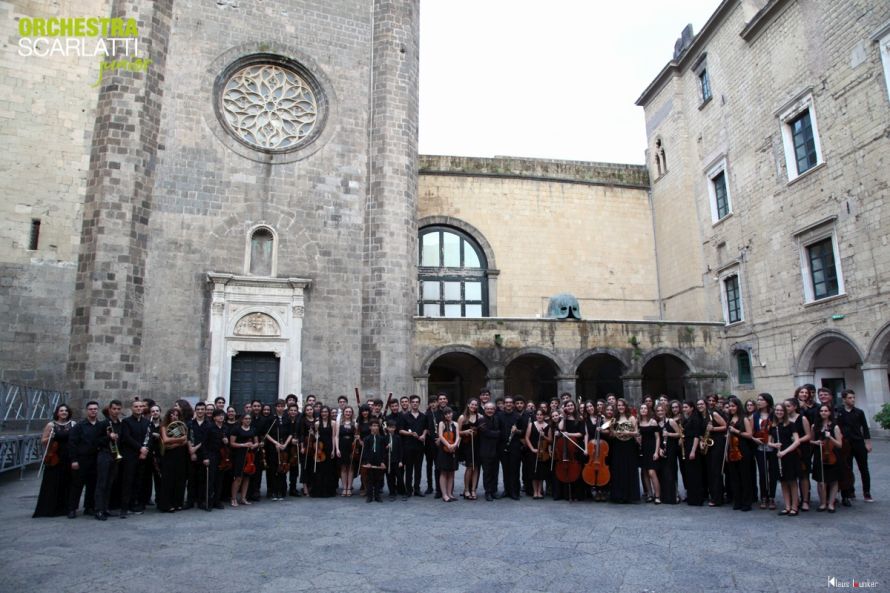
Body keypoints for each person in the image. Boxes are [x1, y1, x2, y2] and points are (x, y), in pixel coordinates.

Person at [33, 404, 76, 518]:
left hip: (68, 456)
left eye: (66, 410)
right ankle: (50, 508)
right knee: (52, 482)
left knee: (67, 482)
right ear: (57, 412)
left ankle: (65, 508)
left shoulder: (73, 424)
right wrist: (51, 437)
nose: (64, 412)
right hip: (55, 456)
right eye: (61, 410)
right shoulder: (51, 425)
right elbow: (43, 440)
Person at [836, 389, 873, 505]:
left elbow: (865, 428)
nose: (852, 400)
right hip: (846, 444)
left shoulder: (859, 412)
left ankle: (867, 492)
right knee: (847, 468)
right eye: (850, 398)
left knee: (864, 468)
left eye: (853, 398)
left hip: (858, 442)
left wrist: (867, 443)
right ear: (844, 399)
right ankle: (849, 491)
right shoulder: (839, 412)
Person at [770, 401, 802, 516]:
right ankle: (787, 506)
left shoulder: (791, 424)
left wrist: (784, 451)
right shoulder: (773, 426)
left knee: (792, 481)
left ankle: (794, 507)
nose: (779, 412)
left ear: (785, 412)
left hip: (789, 456)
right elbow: (768, 441)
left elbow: (797, 441)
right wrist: (774, 445)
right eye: (777, 410)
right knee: (783, 482)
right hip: (778, 456)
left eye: (781, 410)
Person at [119, 398, 149, 517]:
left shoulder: (147, 422)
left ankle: (134, 504)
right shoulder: (126, 422)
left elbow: (148, 437)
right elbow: (127, 437)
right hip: (130, 456)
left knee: (138, 481)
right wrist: (140, 448)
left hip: (142, 456)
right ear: (132, 408)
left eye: (141, 406)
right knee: (127, 481)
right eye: (136, 407)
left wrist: (145, 449)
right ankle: (124, 507)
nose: (138, 408)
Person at [94, 400, 123, 520]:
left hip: (115, 456)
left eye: (118, 409)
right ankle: (98, 510)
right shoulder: (103, 424)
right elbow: (95, 441)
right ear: (110, 409)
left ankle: (105, 508)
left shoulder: (120, 424)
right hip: (104, 454)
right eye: (114, 409)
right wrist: (108, 437)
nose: (116, 411)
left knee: (110, 483)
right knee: (102, 483)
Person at [812, 403, 843, 513]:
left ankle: (831, 503)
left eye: (826, 411)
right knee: (821, 481)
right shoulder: (815, 426)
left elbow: (840, 444)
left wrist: (830, 437)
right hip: (819, 455)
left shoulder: (835, 426)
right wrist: (815, 442)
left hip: (832, 455)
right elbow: (810, 441)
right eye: (821, 411)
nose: (823, 413)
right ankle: (822, 503)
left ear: (830, 412)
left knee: (833, 481)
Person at [724, 396, 754, 512]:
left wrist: (736, 431)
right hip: (731, 450)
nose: (731, 408)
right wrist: (726, 453)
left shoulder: (744, 419)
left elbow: (750, 435)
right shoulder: (729, 419)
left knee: (744, 477)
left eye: (733, 406)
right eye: (730, 406)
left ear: (738, 406)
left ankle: (747, 502)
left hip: (743, 449)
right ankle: (738, 501)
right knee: (734, 477)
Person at [157, 408, 189, 513]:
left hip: (180, 456)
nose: (174, 417)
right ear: (168, 416)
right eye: (172, 415)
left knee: (179, 480)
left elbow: (185, 441)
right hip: (168, 457)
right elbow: (166, 441)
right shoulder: (163, 426)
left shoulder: (181, 426)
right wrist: (179, 441)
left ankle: (177, 503)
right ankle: (166, 504)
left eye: (176, 415)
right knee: (168, 480)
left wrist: (173, 444)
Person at [609, 398, 640, 504]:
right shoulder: (614, 418)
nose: (620, 407)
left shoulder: (631, 417)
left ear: (625, 406)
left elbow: (636, 433)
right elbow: (612, 432)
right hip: (617, 446)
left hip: (629, 446)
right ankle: (619, 495)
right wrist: (614, 433)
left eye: (622, 405)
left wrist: (626, 433)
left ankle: (630, 496)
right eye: (618, 405)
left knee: (629, 469)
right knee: (618, 470)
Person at [785, 397, 812, 511]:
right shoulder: (784, 420)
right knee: (791, 476)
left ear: (795, 407)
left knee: (804, 475)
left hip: (802, 450)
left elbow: (808, 435)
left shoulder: (802, 418)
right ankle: (793, 500)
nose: (786, 408)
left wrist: (797, 441)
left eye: (788, 406)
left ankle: (805, 500)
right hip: (789, 450)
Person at [398, 395, 427, 497]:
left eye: (416, 402)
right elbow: (400, 430)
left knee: (418, 469)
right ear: (410, 403)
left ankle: (417, 489)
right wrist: (410, 434)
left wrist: (423, 435)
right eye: (413, 402)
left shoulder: (423, 416)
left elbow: (426, 428)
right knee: (409, 469)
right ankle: (408, 490)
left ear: (419, 403)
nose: (415, 403)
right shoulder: (404, 416)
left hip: (419, 446)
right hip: (408, 446)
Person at [229, 412, 258, 506]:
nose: (248, 420)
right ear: (242, 420)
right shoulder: (236, 429)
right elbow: (232, 443)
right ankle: (233, 498)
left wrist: (254, 445)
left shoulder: (253, 429)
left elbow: (256, 442)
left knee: (247, 477)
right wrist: (243, 445)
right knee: (238, 477)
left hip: (250, 455)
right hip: (239, 455)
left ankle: (243, 498)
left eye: (249, 419)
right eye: (246, 419)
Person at [265, 399, 292, 501]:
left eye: (282, 406)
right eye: (278, 406)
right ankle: (273, 491)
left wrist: (285, 444)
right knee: (273, 469)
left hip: (284, 447)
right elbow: (266, 433)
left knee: (283, 469)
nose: (280, 408)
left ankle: (282, 491)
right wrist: (276, 443)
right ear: (275, 407)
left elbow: (290, 433)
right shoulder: (271, 419)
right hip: (273, 447)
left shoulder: (287, 419)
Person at [202, 409, 227, 510]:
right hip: (211, 455)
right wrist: (205, 457)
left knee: (219, 479)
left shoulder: (225, 428)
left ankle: (217, 501)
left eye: (222, 415)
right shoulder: (209, 428)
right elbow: (203, 444)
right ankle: (208, 502)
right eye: (219, 415)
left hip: (222, 456)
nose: (221, 417)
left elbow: (227, 444)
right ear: (214, 417)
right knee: (210, 480)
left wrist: (226, 441)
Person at [524, 407, 552, 499]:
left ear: (544, 416)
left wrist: (544, 436)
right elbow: (527, 438)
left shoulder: (548, 426)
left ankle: (539, 491)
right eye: (538, 415)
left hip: (543, 452)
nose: (539, 416)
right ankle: (534, 491)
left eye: (541, 415)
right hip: (533, 451)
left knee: (541, 473)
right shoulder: (531, 424)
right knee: (534, 473)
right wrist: (532, 449)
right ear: (536, 416)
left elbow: (550, 440)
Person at [311, 406, 337, 497]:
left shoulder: (333, 423)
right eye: (322, 412)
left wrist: (334, 449)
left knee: (329, 470)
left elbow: (334, 437)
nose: (324, 413)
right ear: (320, 413)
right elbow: (316, 435)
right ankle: (319, 491)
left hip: (329, 447)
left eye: (326, 412)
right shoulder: (317, 423)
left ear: (328, 413)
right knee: (319, 469)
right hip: (320, 448)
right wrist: (314, 435)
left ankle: (328, 491)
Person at [681, 401, 704, 506]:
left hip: (692, 447)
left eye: (686, 407)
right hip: (687, 446)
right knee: (690, 473)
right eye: (683, 407)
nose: (684, 409)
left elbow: (696, 436)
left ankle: (697, 498)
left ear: (691, 408)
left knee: (695, 474)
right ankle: (692, 497)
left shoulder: (695, 419)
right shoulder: (688, 418)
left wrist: (693, 451)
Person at [637, 403, 661, 504]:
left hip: (651, 449)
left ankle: (657, 495)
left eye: (645, 408)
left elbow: (658, 437)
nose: (643, 410)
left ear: (648, 410)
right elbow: (638, 436)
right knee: (645, 473)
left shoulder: (653, 422)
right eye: (641, 408)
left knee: (652, 472)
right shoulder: (639, 422)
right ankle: (650, 494)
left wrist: (656, 451)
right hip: (643, 450)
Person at [457, 398, 481, 499]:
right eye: (472, 404)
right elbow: (457, 432)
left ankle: (473, 490)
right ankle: (466, 489)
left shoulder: (480, 417)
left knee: (476, 468)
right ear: (468, 405)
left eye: (476, 405)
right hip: (466, 445)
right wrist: (465, 432)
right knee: (469, 467)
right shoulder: (462, 417)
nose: (474, 406)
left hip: (477, 445)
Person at [656, 402, 680, 504]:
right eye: (658, 411)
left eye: (662, 410)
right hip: (661, 450)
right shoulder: (656, 423)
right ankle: (664, 496)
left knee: (671, 472)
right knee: (662, 473)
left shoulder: (670, 421)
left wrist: (669, 434)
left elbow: (679, 434)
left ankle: (673, 496)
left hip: (671, 449)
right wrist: (659, 450)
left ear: (665, 411)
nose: (660, 412)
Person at [479, 402, 502, 501]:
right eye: (488, 409)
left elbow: (497, 432)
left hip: (496, 450)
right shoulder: (481, 420)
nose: (490, 411)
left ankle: (494, 491)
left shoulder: (497, 419)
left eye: (492, 409)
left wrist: (495, 433)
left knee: (495, 472)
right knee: (487, 472)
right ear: (485, 410)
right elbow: (486, 433)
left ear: (494, 410)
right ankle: (487, 492)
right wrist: (497, 433)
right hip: (485, 450)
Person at [436, 407, 460, 502]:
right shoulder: (442, 423)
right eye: (446, 414)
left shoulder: (456, 424)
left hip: (453, 450)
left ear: (452, 413)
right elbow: (441, 436)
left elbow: (458, 436)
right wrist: (448, 445)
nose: (448, 415)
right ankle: (444, 495)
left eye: (449, 413)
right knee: (443, 472)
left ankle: (450, 493)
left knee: (451, 472)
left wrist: (454, 445)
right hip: (444, 450)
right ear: (444, 415)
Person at [360, 419, 386, 503]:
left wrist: (382, 462)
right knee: (369, 479)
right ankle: (370, 496)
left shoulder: (382, 439)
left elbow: (383, 451)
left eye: (377, 426)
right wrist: (367, 462)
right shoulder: (366, 439)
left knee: (378, 479)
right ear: (370, 427)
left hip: (378, 462)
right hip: (370, 462)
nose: (375, 427)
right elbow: (365, 451)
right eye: (373, 426)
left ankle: (377, 496)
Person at [337, 406, 357, 496]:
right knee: (343, 468)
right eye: (346, 411)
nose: (348, 413)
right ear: (343, 412)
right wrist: (337, 449)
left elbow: (356, 436)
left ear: (352, 413)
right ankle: (344, 487)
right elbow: (336, 436)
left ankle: (349, 488)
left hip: (351, 447)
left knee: (351, 467)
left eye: (349, 412)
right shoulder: (339, 423)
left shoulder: (355, 424)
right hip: (342, 446)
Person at [384, 418, 405, 500]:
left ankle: (403, 492)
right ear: (387, 428)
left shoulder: (398, 438)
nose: (391, 429)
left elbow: (401, 450)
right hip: (388, 461)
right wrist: (386, 447)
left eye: (393, 427)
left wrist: (400, 461)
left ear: (395, 428)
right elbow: (383, 450)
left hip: (396, 461)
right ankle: (392, 492)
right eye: (389, 427)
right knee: (390, 478)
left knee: (399, 477)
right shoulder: (385, 438)